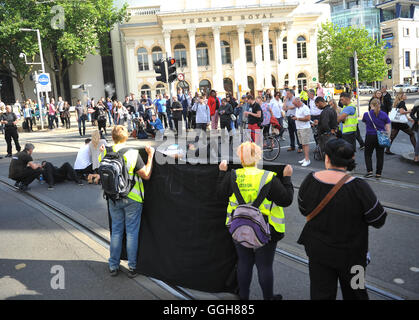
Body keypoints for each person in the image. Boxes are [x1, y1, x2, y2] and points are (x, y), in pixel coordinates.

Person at [297, 138, 387, 300]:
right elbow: (378, 219)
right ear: (350, 160)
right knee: (357, 292)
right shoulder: (359, 187)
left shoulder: (310, 180)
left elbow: (303, 209)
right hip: (354, 257)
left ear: (327, 158)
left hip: (319, 253)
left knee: (320, 293)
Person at [216, 141, 294, 300]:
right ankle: (268, 297)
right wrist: (287, 178)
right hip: (267, 229)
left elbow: (219, 195)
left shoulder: (233, 176)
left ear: (240, 158)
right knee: (265, 266)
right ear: (258, 157)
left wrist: (222, 173)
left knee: (244, 262)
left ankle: (243, 299)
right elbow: (286, 200)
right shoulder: (268, 177)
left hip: (238, 226)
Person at [98, 125, 155, 278]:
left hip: (113, 197)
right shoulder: (132, 153)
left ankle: (113, 265)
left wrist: (102, 150)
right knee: (131, 232)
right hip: (132, 198)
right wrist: (150, 156)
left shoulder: (105, 152)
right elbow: (146, 175)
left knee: (116, 231)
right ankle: (132, 267)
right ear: (126, 137)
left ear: (113, 137)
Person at [362, 98, 391, 179]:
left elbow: (365, 123)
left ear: (371, 105)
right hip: (381, 136)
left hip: (370, 136)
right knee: (380, 155)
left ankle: (369, 171)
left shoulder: (366, 114)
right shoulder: (384, 114)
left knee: (368, 154)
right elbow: (388, 127)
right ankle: (378, 174)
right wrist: (388, 137)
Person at [292, 98, 312, 166]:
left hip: (304, 128)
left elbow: (308, 118)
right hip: (299, 128)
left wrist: (297, 118)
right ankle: (305, 158)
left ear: (298, 102)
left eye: (294, 104)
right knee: (303, 144)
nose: (294, 105)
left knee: (305, 144)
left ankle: (307, 159)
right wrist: (296, 117)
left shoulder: (305, 108)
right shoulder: (298, 108)